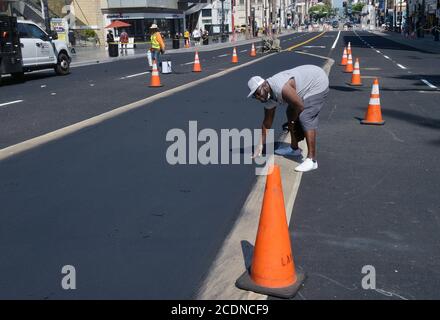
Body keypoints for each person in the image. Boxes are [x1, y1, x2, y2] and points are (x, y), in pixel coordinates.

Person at [247, 65, 329, 172]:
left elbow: (300, 106)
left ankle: (312, 160)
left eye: (257, 93)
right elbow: (267, 123)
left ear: (265, 85)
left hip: (317, 81)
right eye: (255, 96)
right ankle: (294, 149)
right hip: (304, 83)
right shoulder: (267, 98)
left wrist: (294, 122)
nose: (258, 97)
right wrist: (260, 144)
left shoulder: (281, 88)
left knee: (305, 117)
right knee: (290, 113)